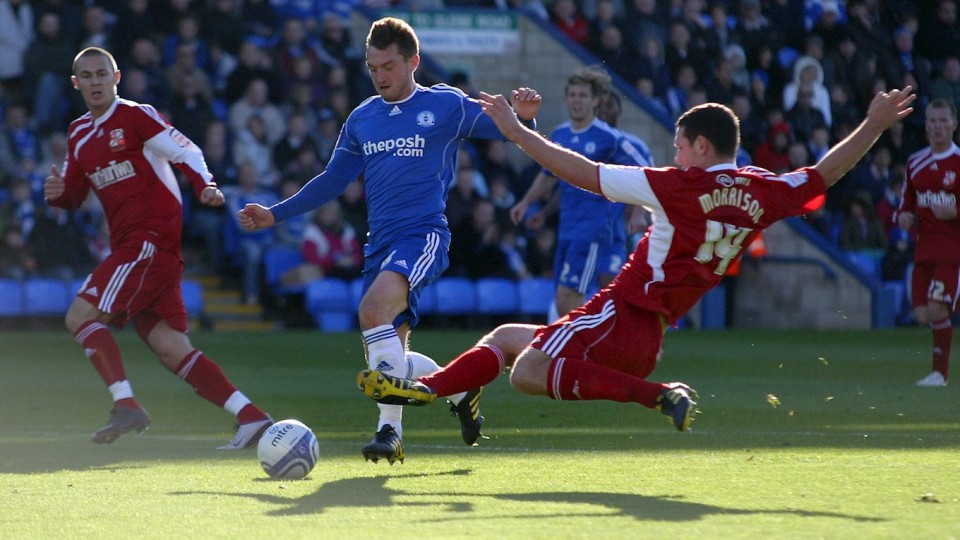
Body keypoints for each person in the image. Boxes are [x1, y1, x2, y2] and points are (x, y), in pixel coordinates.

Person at [358, 86, 916, 436]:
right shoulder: (763, 190)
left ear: (701, 146)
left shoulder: (678, 185)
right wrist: (873, 125)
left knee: (526, 371)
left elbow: (582, 173)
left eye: (679, 145)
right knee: (506, 338)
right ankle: (441, 388)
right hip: (649, 335)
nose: (675, 154)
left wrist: (517, 132)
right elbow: (824, 174)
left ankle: (660, 395)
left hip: (620, 311)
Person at [237, 17, 541, 465]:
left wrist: (524, 116)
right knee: (391, 356)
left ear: (413, 62)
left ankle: (389, 433)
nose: (379, 76)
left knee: (372, 311)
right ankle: (460, 390)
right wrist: (275, 212)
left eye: (388, 67)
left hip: (423, 235)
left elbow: (505, 130)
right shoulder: (362, 117)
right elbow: (333, 179)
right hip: (379, 245)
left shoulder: (445, 105)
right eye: (372, 67)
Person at [43, 47, 273, 448]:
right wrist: (59, 194)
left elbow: (186, 151)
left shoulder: (136, 116)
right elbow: (75, 193)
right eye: (87, 76)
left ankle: (125, 404)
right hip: (138, 250)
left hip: (149, 241)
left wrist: (204, 185)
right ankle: (251, 417)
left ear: (116, 78)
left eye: (102, 74)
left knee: (79, 315)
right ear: (76, 84)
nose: (96, 82)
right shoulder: (78, 134)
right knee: (171, 348)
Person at [509, 67, 644, 320]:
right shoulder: (560, 134)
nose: (577, 100)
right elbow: (548, 174)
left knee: (569, 296)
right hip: (567, 229)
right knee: (564, 301)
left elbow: (641, 169)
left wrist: (637, 212)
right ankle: (590, 341)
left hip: (592, 230)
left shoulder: (609, 138)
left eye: (583, 95)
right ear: (566, 99)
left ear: (595, 101)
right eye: (572, 95)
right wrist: (526, 203)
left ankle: (586, 343)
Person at [897, 98, 960, 387]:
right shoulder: (916, 162)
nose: (938, 126)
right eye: (933, 121)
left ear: (954, 124)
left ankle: (939, 375)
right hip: (924, 250)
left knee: (936, 309)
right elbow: (906, 201)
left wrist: (955, 211)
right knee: (922, 315)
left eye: (943, 120)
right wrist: (903, 216)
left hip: (952, 251)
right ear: (925, 126)